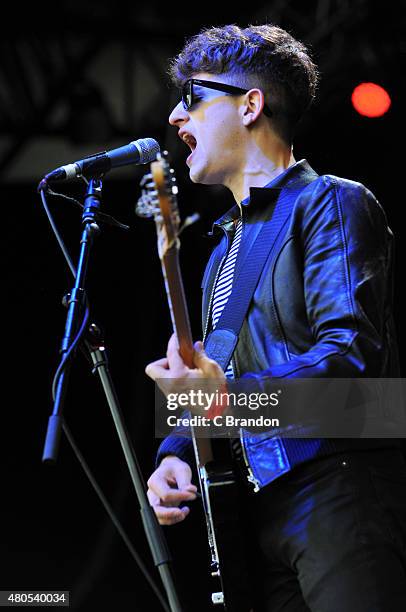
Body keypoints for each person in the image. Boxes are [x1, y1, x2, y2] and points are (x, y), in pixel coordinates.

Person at [145, 23, 406, 611]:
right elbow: (213, 386)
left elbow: (355, 362)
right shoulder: (220, 253)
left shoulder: (333, 201)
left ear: (251, 105)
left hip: (341, 487)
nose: (174, 120)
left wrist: (226, 400)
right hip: (254, 511)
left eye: (192, 98)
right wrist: (174, 456)